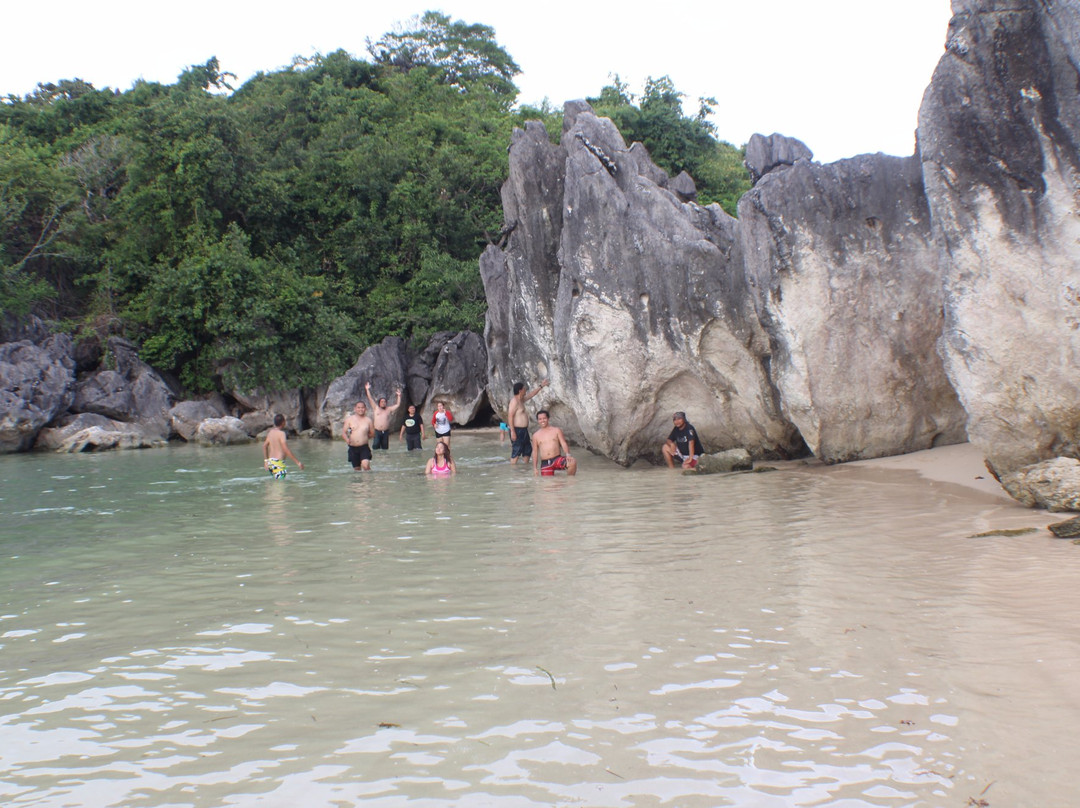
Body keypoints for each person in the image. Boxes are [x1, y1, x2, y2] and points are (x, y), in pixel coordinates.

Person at [508, 379, 549, 465]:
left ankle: (525, 469)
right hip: (517, 430)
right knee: (517, 451)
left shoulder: (521, 400)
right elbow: (510, 416)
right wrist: (512, 431)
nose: (525, 390)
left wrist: (541, 386)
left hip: (524, 430)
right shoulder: (514, 401)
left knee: (527, 449)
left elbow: (531, 394)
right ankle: (513, 471)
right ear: (520, 390)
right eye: (524, 389)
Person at [532, 410, 577, 476]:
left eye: (544, 418)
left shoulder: (556, 430)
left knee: (572, 462)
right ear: (538, 421)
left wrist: (568, 454)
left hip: (557, 459)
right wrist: (535, 468)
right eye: (540, 419)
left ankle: (569, 482)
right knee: (549, 484)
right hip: (545, 462)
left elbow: (563, 443)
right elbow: (535, 452)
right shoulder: (535, 435)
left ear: (548, 419)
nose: (542, 421)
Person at [262, 414, 304, 479]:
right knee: (280, 486)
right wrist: (297, 462)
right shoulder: (281, 434)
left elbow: (264, 446)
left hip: (271, 462)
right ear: (283, 422)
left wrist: (266, 461)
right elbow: (285, 449)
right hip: (278, 463)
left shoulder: (271, 433)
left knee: (275, 485)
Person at [366, 381, 402, 451]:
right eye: (382, 402)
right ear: (379, 403)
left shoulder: (388, 409)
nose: (383, 403)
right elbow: (370, 398)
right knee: (376, 447)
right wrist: (367, 389)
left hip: (385, 431)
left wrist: (399, 396)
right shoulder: (376, 408)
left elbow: (397, 405)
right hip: (377, 431)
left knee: (385, 448)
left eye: (384, 402)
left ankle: (385, 460)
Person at [342, 400, 375, 471]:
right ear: (355, 409)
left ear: (365, 409)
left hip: (364, 447)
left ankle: (369, 480)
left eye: (362, 408)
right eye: (358, 407)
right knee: (357, 469)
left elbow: (372, 433)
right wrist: (347, 440)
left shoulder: (368, 420)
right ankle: (360, 482)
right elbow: (343, 432)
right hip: (353, 448)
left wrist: (364, 437)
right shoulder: (349, 420)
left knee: (365, 465)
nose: (361, 409)